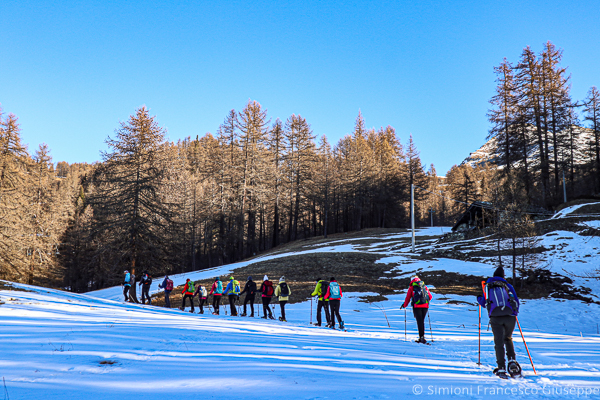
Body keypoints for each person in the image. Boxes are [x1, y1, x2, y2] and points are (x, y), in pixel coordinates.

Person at [477, 267, 521, 378]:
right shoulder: (507, 286)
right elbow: (516, 300)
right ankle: (512, 361)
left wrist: (478, 298)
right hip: (510, 316)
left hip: (495, 317)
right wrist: (515, 313)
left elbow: (484, 303)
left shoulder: (488, 286)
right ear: (503, 276)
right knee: (508, 338)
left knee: (499, 342)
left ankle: (501, 367)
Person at [401, 276, 433, 344]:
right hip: (425, 306)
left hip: (417, 306)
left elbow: (408, 298)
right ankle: (422, 337)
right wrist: (424, 301)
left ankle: (421, 337)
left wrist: (404, 305)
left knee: (419, 321)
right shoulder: (424, 286)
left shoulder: (412, 287)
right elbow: (430, 297)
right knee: (422, 321)